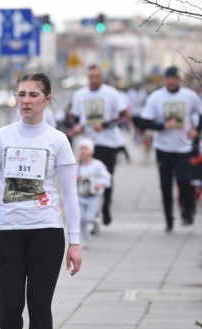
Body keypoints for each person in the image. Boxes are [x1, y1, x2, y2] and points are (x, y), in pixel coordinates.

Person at [0, 71, 82, 329]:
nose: (25, 100)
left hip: (47, 232)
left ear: (46, 99)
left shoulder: (57, 140)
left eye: (33, 95)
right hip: (9, 232)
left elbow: (71, 194)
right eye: (21, 94)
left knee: (39, 305)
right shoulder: (1, 137)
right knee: (8, 309)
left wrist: (75, 241)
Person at [135, 66, 202, 231]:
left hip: (183, 148)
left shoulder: (189, 96)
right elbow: (145, 122)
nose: (171, 81)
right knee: (165, 185)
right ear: (164, 80)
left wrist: (196, 130)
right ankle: (169, 219)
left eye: (174, 77)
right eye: (168, 78)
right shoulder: (156, 97)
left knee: (184, 181)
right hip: (163, 148)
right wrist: (162, 125)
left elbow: (200, 113)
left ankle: (188, 211)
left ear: (178, 79)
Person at [70, 64, 130, 226]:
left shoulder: (111, 93)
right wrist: (77, 126)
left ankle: (106, 208)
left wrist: (105, 125)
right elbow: (76, 118)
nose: (94, 80)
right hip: (89, 144)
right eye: (91, 77)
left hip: (109, 143)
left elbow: (125, 115)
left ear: (101, 77)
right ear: (87, 78)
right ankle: (93, 211)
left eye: (97, 77)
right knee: (87, 177)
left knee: (106, 176)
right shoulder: (80, 95)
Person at [76, 138, 111, 246]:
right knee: (81, 220)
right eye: (81, 149)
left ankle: (96, 222)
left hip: (93, 197)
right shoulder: (77, 167)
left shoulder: (97, 165)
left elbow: (107, 178)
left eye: (85, 148)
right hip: (81, 196)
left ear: (91, 151)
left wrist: (99, 184)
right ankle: (86, 241)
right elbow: (69, 182)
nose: (83, 151)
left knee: (89, 218)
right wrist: (75, 179)